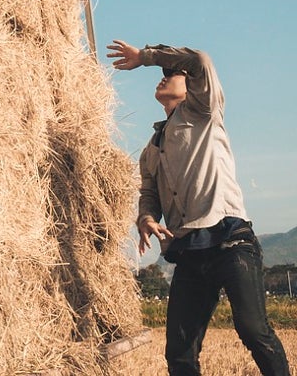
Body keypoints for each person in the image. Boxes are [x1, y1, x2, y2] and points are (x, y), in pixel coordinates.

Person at [107, 39, 291, 376]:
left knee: (253, 330)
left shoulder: (204, 111)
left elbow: (200, 60)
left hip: (231, 242)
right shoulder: (152, 148)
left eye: (173, 74)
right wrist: (146, 217)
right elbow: (148, 194)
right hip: (189, 251)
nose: (163, 78)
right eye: (163, 74)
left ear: (191, 86)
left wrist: (145, 57)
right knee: (179, 353)